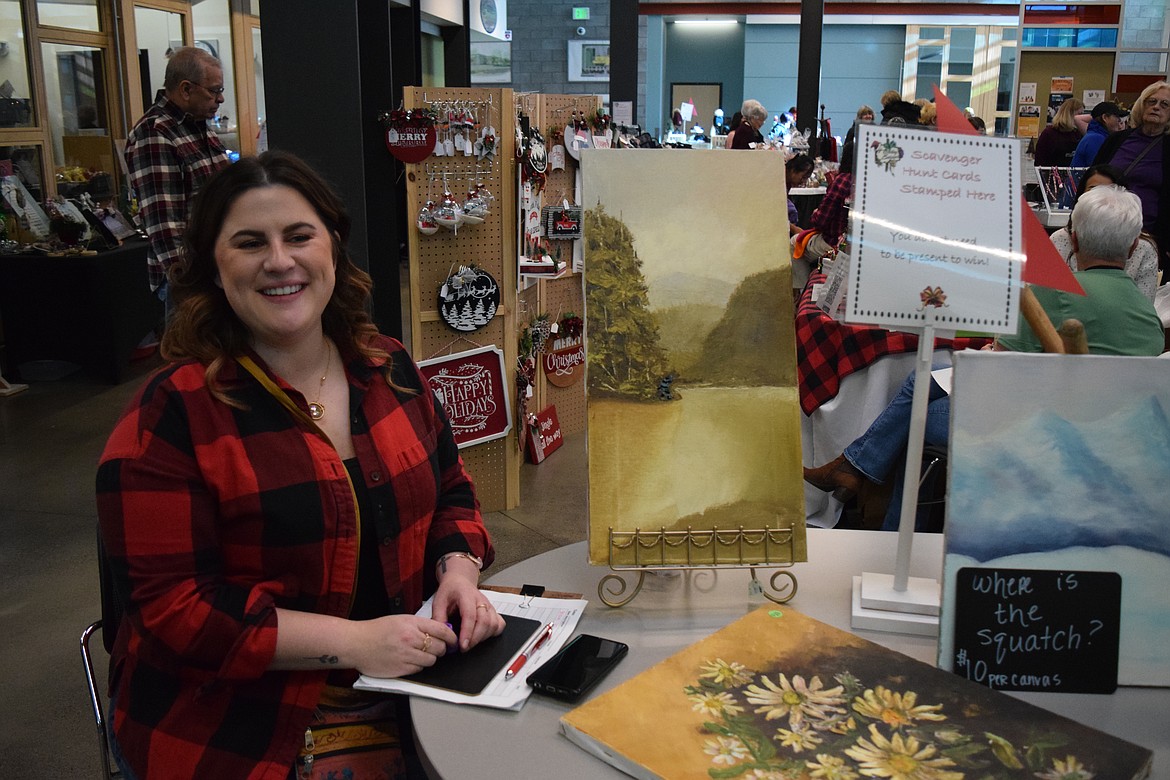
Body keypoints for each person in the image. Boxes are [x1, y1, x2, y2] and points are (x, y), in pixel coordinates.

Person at [96, 151, 506, 779]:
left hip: (411, 678)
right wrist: (355, 643)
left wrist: (459, 571)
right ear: (214, 266)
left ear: (333, 250)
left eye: (298, 236)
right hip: (240, 726)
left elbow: (452, 486)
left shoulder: (387, 367)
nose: (280, 261)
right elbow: (173, 613)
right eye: (249, 242)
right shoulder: (171, 415)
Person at [804, 184, 1164, 528]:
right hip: (1111, 437)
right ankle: (854, 471)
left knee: (919, 414)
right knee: (924, 383)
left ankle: (883, 514)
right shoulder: (1147, 315)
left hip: (1033, 424)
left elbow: (999, 372)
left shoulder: (1051, 294)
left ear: (1073, 238)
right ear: (1134, 247)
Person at [125, 46, 231, 306]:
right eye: (214, 90)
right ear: (186, 89)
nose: (220, 99)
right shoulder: (155, 134)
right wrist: (188, 287)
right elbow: (164, 225)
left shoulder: (198, 127)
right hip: (190, 282)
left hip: (216, 272)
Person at [1048, 164, 1159, 301]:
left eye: (1109, 190)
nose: (1100, 199)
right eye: (1093, 190)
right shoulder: (1059, 239)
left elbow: (1144, 303)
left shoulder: (1144, 248)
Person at [1093, 80, 1170, 273]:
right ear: (1141, 105)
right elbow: (1093, 177)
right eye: (1151, 101)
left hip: (1148, 237)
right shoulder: (1117, 140)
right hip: (1103, 230)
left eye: (1164, 104)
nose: (1156, 107)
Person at [1071, 101, 1128, 169]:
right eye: (1117, 117)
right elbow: (1099, 169)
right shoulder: (1096, 139)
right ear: (1105, 118)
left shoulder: (1095, 135)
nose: (1118, 121)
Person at [1033, 98, 1085, 166]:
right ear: (1069, 113)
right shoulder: (1049, 133)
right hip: (1052, 173)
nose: (1082, 118)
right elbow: (1040, 162)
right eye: (1079, 114)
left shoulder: (1078, 133)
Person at [784, 153, 815, 237]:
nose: (803, 182)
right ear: (793, 170)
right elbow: (777, 212)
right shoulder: (779, 181)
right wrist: (794, 229)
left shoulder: (787, 182)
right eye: (803, 177)